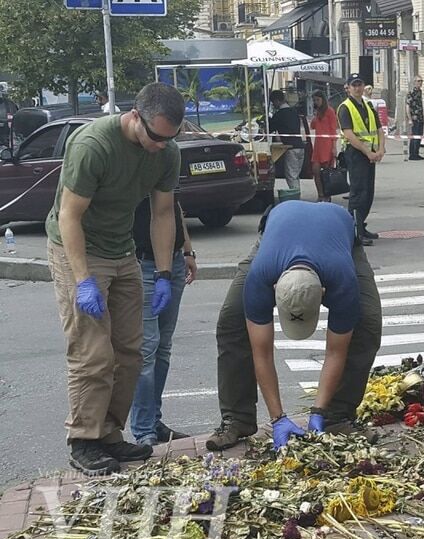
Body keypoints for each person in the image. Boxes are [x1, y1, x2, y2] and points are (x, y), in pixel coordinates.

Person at [45, 82, 184, 475]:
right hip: (78, 248)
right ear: (134, 117)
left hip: (122, 250)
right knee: (92, 352)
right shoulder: (94, 145)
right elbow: (69, 216)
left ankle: (109, 435)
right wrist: (83, 279)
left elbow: (162, 214)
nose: (161, 144)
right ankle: (83, 440)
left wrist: (160, 273)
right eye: (156, 136)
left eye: (170, 137)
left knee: (130, 351)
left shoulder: (166, 152)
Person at [205, 201, 383, 451]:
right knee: (233, 320)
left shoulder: (341, 279)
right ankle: (237, 419)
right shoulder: (261, 276)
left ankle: (336, 417)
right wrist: (278, 419)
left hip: (338, 238)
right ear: (274, 288)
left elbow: (336, 350)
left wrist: (318, 411)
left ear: (324, 292)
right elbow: (262, 352)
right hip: (275, 237)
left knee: (367, 322)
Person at [129, 199, 196, 446]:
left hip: (174, 262)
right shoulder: (132, 166)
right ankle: (143, 429)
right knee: (147, 350)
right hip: (144, 263)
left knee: (163, 348)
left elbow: (174, 206)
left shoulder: (167, 161)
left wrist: (187, 251)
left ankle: (153, 422)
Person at [338, 74, 385, 245]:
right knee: (358, 193)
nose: (357, 88)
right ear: (348, 88)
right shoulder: (345, 107)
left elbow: (379, 128)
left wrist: (380, 149)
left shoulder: (368, 104)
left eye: (360, 84)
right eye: (354, 85)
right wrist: (368, 152)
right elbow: (349, 134)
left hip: (370, 153)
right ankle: (354, 232)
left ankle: (361, 225)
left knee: (368, 192)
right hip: (356, 154)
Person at [268, 90, 304, 192]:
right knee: (296, 175)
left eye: (273, 102)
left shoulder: (280, 114)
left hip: (291, 148)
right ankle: (297, 194)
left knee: (291, 175)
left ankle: (296, 199)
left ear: (277, 101)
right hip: (301, 147)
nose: (273, 105)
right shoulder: (294, 112)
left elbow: (270, 128)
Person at [309, 90, 338, 202]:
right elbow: (313, 126)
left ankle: (327, 194)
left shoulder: (330, 111)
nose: (316, 102)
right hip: (318, 145)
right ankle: (320, 194)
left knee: (326, 172)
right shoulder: (318, 113)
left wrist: (334, 147)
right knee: (315, 170)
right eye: (314, 100)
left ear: (323, 100)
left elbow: (333, 129)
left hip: (327, 145)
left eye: (318, 100)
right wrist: (314, 115)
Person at [406, 76, 424, 161]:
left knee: (419, 136)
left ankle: (416, 153)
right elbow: (407, 106)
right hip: (414, 117)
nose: (420, 83)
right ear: (414, 82)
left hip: (420, 117)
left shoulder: (420, 92)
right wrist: (410, 119)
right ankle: (412, 154)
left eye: (421, 81)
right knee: (414, 136)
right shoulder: (411, 92)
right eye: (418, 81)